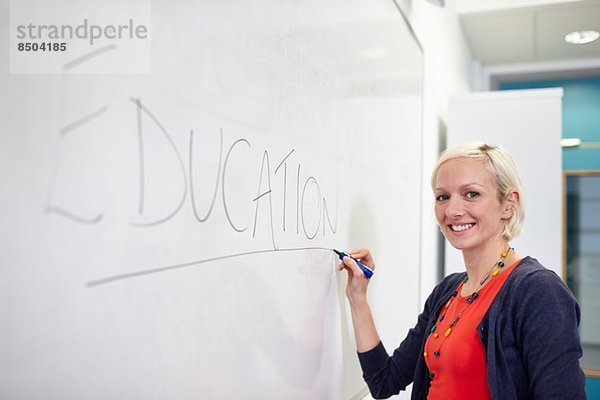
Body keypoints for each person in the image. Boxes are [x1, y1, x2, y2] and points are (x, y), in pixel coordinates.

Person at [337, 142, 586, 399]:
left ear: (508, 205)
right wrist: (358, 298)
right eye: (442, 197)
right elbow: (384, 382)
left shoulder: (538, 291)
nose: (453, 211)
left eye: (471, 194)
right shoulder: (447, 292)